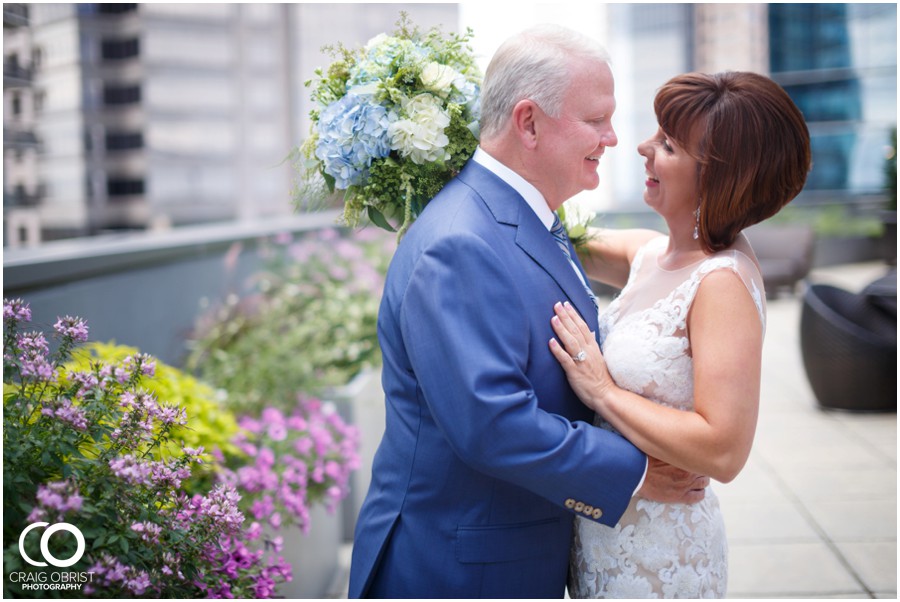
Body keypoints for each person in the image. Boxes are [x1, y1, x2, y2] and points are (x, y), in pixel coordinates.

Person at [348, 25, 708, 599]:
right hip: (457, 569)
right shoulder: (458, 243)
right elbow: (493, 424)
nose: (614, 138)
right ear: (529, 122)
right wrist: (636, 472)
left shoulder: (529, 215)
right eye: (596, 119)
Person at [548, 71, 812, 597]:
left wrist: (602, 390)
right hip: (602, 539)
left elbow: (723, 449)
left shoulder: (721, 284)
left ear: (719, 177)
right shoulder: (650, 254)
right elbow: (552, 233)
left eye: (667, 145)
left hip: (660, 559)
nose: (643, 148)